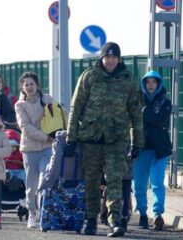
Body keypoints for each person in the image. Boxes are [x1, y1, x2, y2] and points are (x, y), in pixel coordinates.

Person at [65, 42, 144, 237]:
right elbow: (76, 109)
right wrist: (71, 138)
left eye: (114, 57)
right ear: (101, 58)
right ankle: (91, 220)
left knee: (115, 179)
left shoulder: (128, 80)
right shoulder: (89, 77)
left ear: (119, 58)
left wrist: (137, 142)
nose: (110, 60)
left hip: (116, 138)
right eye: (107, 57)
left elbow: (136, 113)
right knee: (91, 181)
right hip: (91, 137)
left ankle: (115, 221)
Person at [14, 71, 55, 229]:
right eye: (26, 85)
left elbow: (60, 116)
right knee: (31, 185)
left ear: (37, 85)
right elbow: (26, 128)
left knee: (46, 179)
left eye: (32, 84)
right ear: (22, 87)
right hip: (30, 149)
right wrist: (46, 137)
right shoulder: (20, 105)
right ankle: (32, 214)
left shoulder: (47, 99)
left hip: (47, 148)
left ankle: (45, 212)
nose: (29, 87)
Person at [133, 70, 172, 231]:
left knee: (157, 183)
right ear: (144, 84)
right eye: (147, 82)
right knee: (140, 185)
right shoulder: (136, 101)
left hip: (159, 149)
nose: (150, 85)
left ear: (158, 84)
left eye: (154, 82)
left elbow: (160, 119)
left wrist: (144, 113)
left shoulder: (165, 102)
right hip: (140, 148)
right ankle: (142, 213)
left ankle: (157, 214)